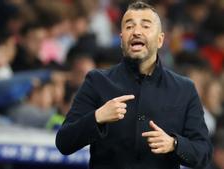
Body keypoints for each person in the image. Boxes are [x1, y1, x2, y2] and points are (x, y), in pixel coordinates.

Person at [56, 1, 212, 169]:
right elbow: (64, 142)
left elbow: (203, 153)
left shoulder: (184, 89)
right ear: (122, 39)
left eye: (145, 26)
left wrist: (174, 143)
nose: (136, 32)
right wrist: (97, 117)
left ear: (160, 40)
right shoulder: (97, 81)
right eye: (129, 27)